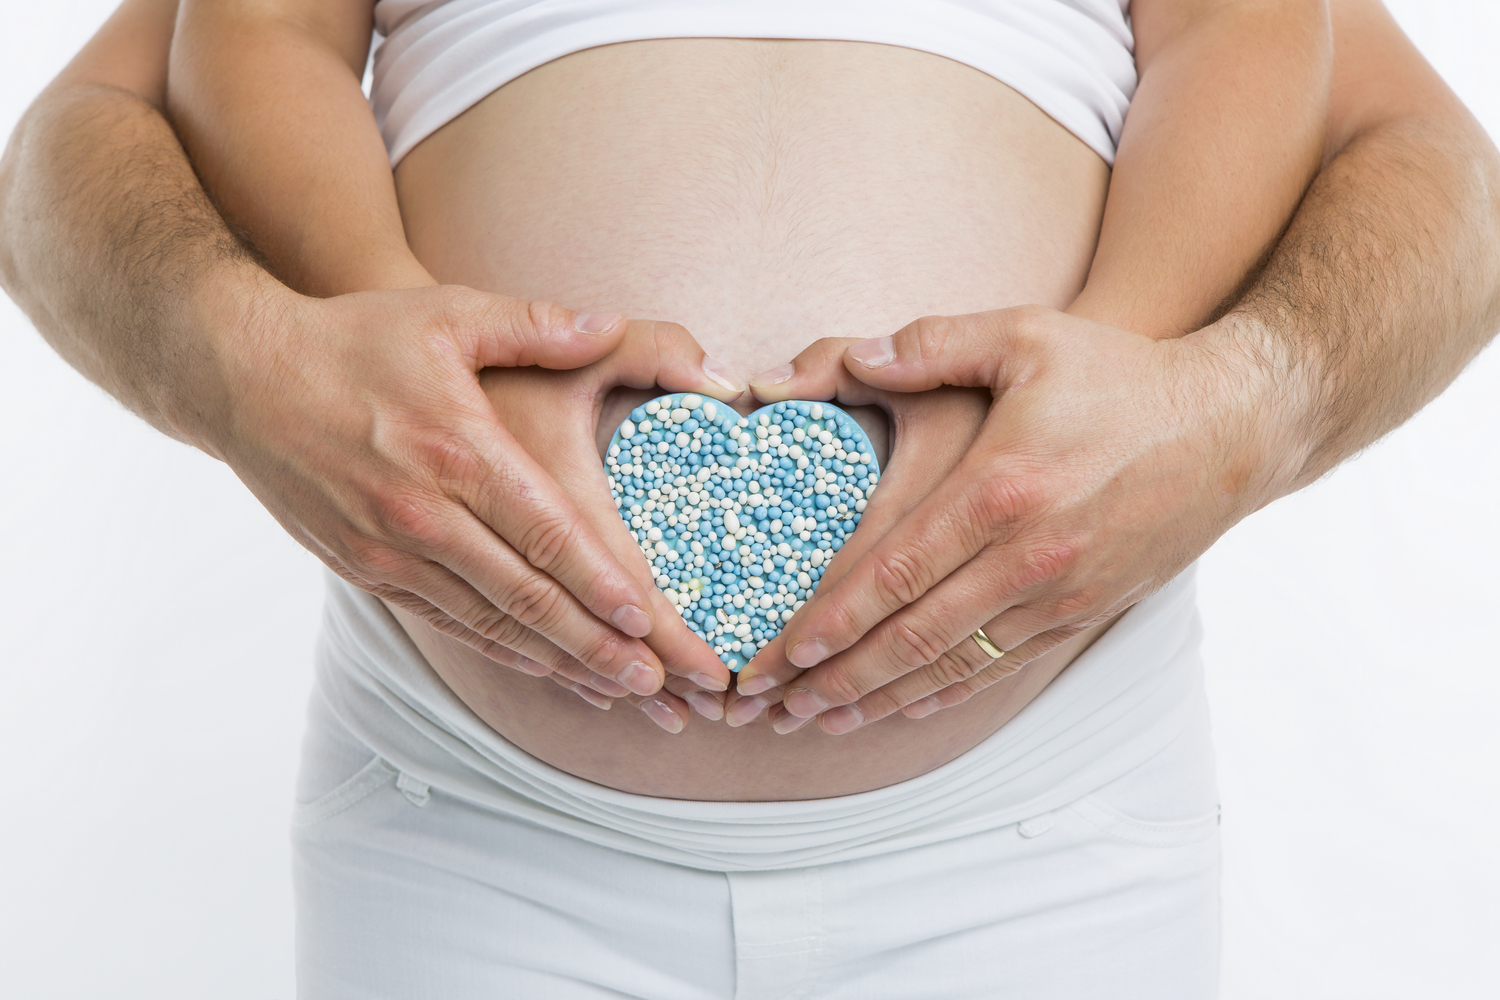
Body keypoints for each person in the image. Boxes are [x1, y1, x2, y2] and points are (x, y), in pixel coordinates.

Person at [1, 1, 1496, 998]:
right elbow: (175, 80)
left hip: (1036, 827)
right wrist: (388, 323)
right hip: (473, 827)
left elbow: (1321, 83)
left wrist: (1148, 370)